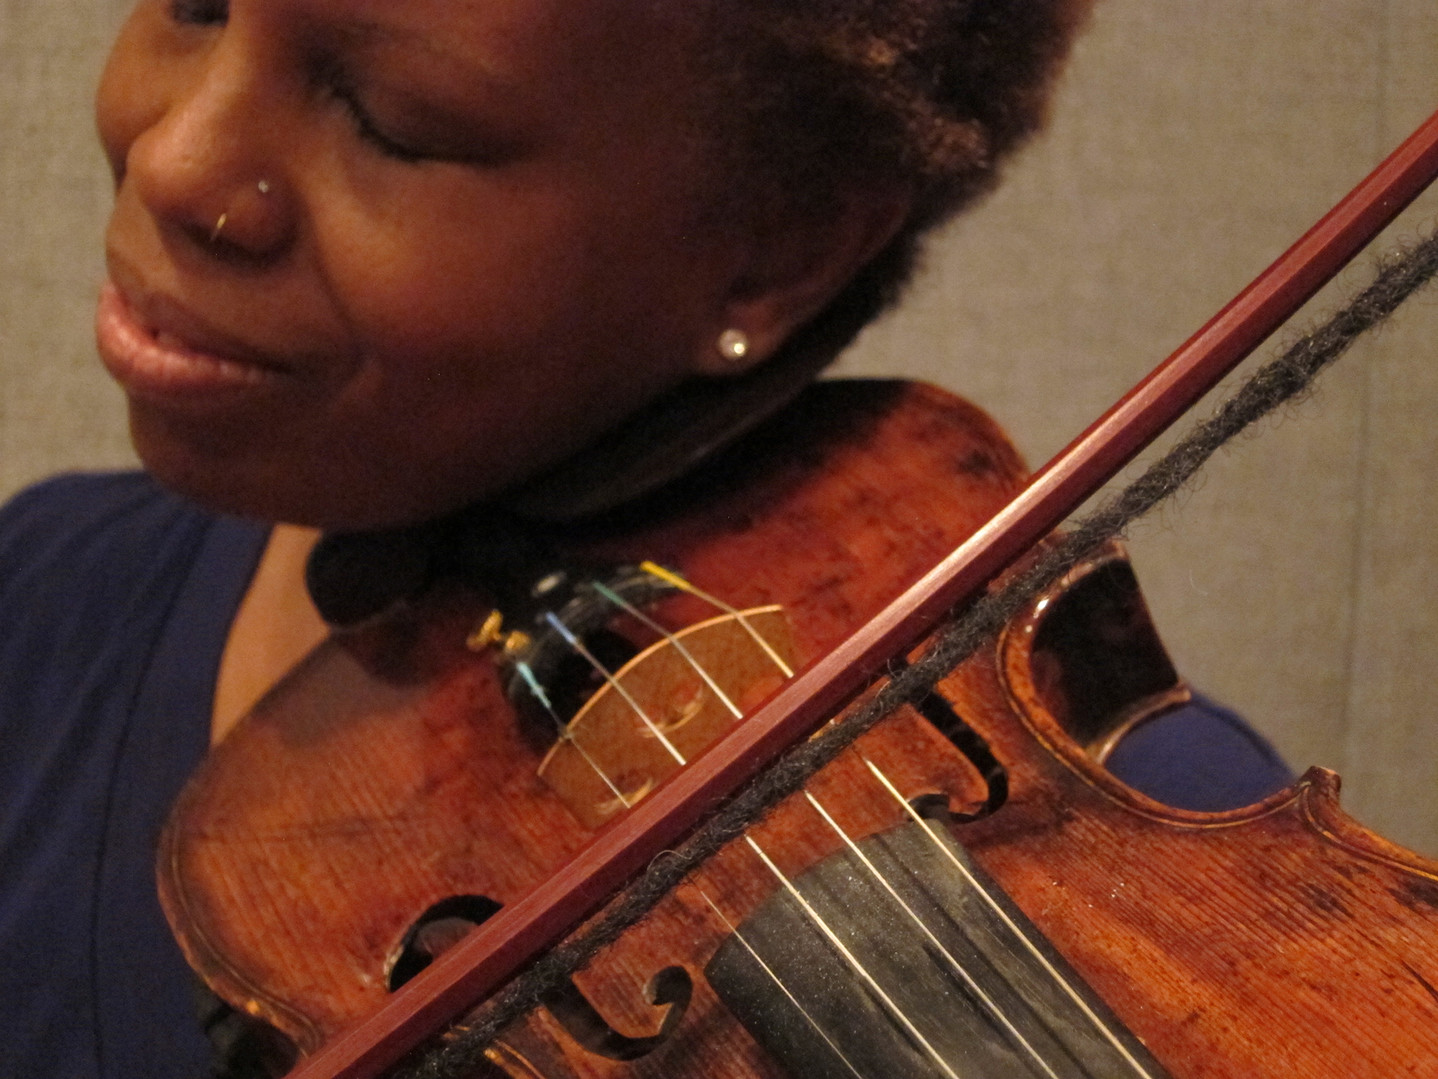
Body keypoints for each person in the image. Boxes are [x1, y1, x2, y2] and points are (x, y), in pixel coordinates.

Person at [0, 2, 1291, 1077]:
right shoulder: (40, 592)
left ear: (773, 255)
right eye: (194, 4)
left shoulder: (1148, 863)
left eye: (393, 124)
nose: (178, 161)